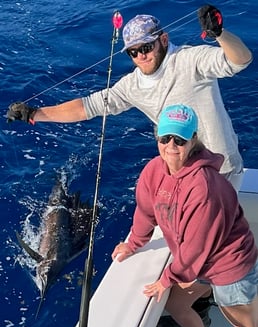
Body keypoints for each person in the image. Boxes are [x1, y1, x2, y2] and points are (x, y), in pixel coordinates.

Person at [7, 5, 252, 192]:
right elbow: (87, 107)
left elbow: (240, 60)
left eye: (146, 47)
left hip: (223, 172)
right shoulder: (132, 85)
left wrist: (219, 34)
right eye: (134, 52)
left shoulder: (191, 59)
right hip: (181, 174)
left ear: (163, 40)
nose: (141, 56)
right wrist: (34, 114)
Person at [111, 104, 258, 327]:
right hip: (200, 265)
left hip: (230, 265)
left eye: (179, 140)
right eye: (165, 137)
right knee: (176, 305)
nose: (171, 146)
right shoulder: (153, 171)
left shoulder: (204, 187)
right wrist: (134, 243)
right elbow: (146, 211)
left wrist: (167, 278)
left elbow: (196, 248)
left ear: (193, 140)